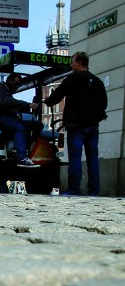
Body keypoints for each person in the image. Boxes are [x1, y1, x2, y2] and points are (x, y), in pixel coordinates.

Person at [44, 51, 108, 196]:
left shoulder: (71, 79)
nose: (71, 64)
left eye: (72, 62)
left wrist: (45, 101)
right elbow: (104, 103)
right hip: (92, 126)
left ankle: (74, 189)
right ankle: (93, 191)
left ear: (79, 62)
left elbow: (55, 97)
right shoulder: (97, 81)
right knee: (93, 159)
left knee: (75, 158)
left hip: (76, 126)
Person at [0, 72, 42, 168]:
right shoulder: (0, 90)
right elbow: (8, 102)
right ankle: (21, 157)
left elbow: (12, 106)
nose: (17, 87)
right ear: (9, 81)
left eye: (19, 85)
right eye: (16, 84)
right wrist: (28, 105)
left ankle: (21, 149)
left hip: (4, 117)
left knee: (33, 126)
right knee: (19, 128)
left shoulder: (6, 91)